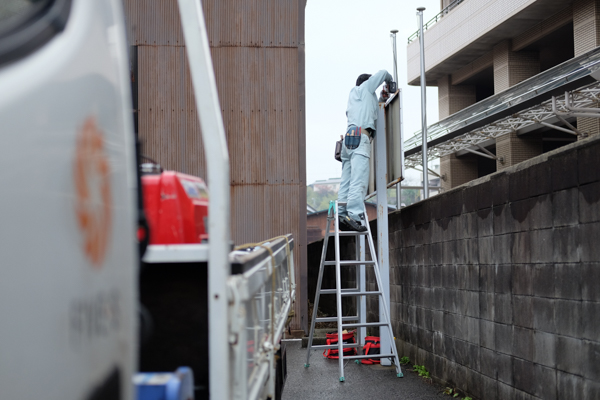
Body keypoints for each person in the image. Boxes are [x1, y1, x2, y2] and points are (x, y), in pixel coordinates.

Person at [338, 70, 393, 232]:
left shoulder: (355, 97)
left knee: (347, 179)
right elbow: (383, 72)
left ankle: (341, 214)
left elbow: (373, 110)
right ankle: (354, 215)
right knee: (359, 178)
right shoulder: (365, 88)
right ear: (367, 83)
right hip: (360, 138)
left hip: (348, 140)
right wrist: (389, 83)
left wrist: (382, 98)